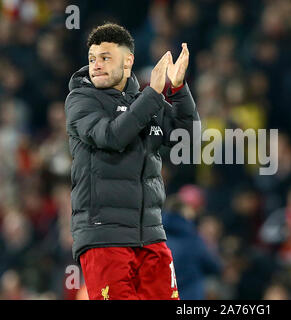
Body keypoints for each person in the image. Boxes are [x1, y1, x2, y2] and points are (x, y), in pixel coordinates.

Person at [64, 23, 199, 300]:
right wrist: (153, 93)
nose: (96, 65)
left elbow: (188, 141)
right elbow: (112, 136)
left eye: (105, 58)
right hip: (104, 238)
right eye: (92, 59)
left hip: (151, 236)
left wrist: (178, 88)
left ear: (128, 61)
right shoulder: (81, 100)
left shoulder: (144, 102)